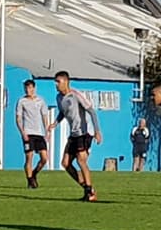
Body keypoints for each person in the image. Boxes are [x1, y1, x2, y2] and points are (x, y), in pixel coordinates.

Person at [48, 71, 102, 201]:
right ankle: (88, 189)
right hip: (73, 134)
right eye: (55, 82)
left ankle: (90, 193)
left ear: (66, 82)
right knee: (65, 163)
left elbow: (91, 111)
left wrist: (97, 131)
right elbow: (62, 112)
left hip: (84, 133)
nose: (56, 84)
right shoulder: (59, 98)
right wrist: (55, 123)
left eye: (58, 82)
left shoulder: (76, 95)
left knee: (81, 160)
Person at [16, 79, 50, 188]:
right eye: (26, 88)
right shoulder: (21, 101)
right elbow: (18, 118)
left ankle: (34, 173)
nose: (28, 90)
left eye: (30, 88)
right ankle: (30, 181)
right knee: (29, 157)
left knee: (44, 158)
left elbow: (45, 116)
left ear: (34, 88)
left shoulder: (40, 100)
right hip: (28, 133)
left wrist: (47, 131)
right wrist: (22, 132)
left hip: (39, 133)